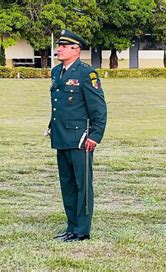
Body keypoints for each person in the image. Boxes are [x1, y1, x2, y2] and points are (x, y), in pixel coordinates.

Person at [46, 29, 107, 242]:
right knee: (67, 183)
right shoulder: (56, 72)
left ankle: (82, 230)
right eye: (59, 46)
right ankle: (71, 226)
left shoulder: (86, 73)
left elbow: (98, 108)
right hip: (61, 136)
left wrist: (95, 135)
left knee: (83, 185)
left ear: (76, 50)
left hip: (81, 138)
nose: (59, 49)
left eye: (64, 46)